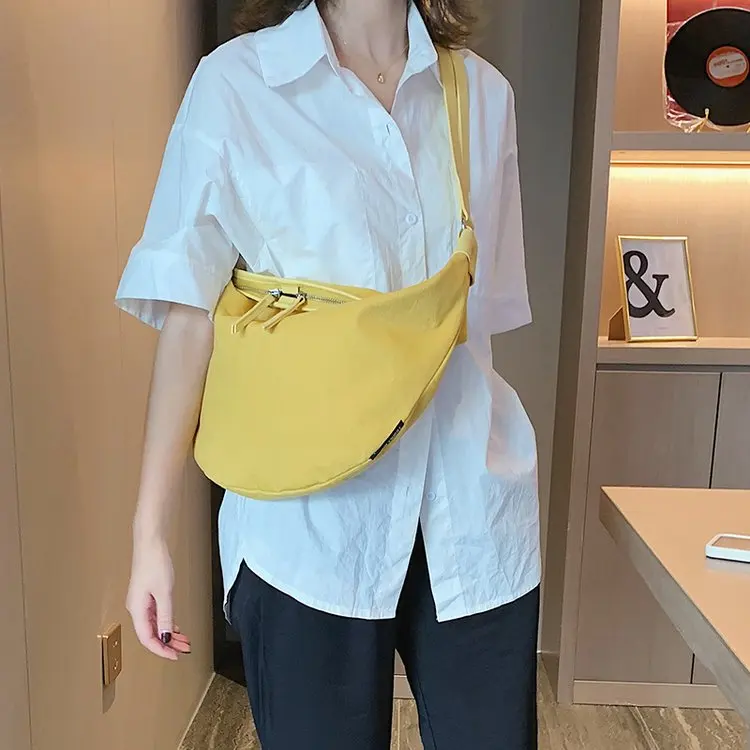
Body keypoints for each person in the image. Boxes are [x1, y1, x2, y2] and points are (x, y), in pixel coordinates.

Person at [116, 0, 541, 748]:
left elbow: (477, 316)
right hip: (305, 530)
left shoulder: (483, 94)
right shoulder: (237, 84)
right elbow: (190, 318)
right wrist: (150, 530)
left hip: (472, 514)